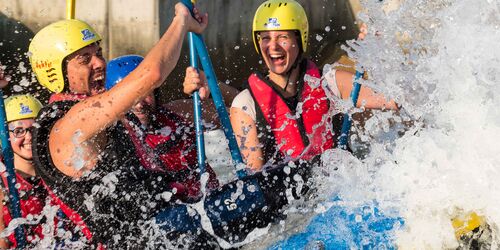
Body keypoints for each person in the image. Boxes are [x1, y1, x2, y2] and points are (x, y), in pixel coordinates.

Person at [28, 4, 213, 247]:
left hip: (163, 229)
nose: (99, 63)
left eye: (99, 53)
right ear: (56, 72)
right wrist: (181, 22)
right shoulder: (72, 123)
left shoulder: (99, 114)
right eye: (85, 58)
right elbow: (152, 74)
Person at [227, 0, 398, 171]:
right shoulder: (244, 104)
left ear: (299, 40)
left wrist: (380, 53)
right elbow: (254, 176)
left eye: (282, 37)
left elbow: (393, 101)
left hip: (339, 188)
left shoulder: (330, 82)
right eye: (266, 38)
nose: (273, 46)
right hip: (289, 195)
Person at [105, 54, 219, 201]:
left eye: (144, 94)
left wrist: (209, 82)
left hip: (210, 203)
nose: (139, 105)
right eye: (129, 98)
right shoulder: (115, 139)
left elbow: (236, 109)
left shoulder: (177, 113)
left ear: (155, 91)